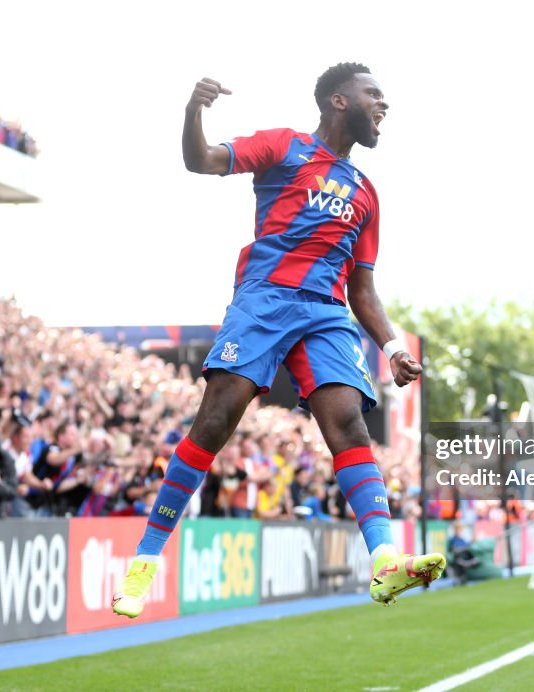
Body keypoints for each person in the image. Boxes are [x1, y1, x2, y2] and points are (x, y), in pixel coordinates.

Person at [113, 63, 445, 619]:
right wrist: (194, 109)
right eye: (374, 95)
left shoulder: (366, 193)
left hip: (326, 313)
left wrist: (391, 348)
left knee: (349, 423)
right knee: (216, 420)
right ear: (339, 101)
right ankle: (145, 561)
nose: (383, 105)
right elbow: (202, 160)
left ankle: (385, 559)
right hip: (266, 299)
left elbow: (362, 286)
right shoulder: (285, 146)